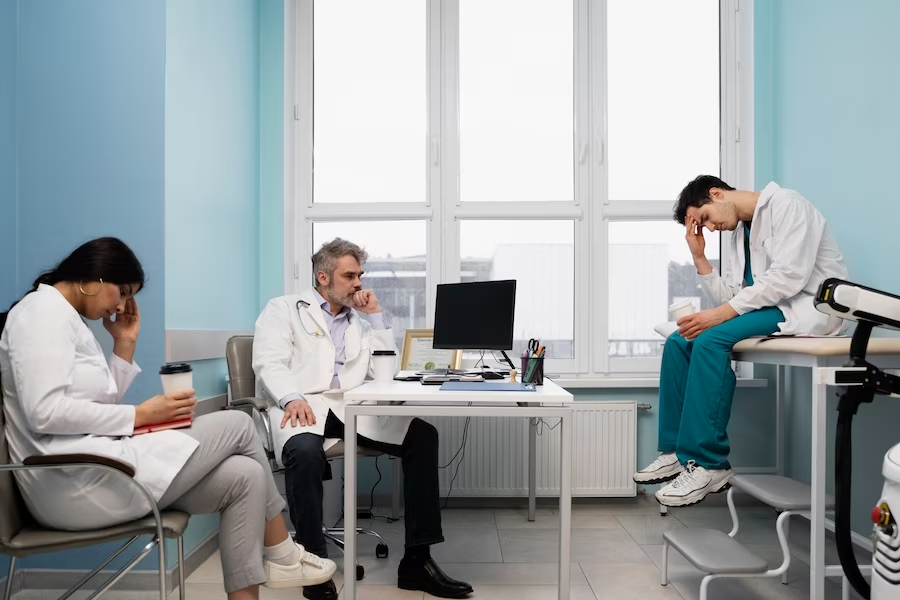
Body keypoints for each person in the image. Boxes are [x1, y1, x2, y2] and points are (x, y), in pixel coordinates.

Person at [0, 238, 336, 600]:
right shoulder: (41, 315)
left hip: (96, 471)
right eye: (123, 292)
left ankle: (259, 582)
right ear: (94, 278)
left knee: (247, 476)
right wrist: (140, 415)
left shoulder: (65, 318)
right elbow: (45, 412)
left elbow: (93, 405)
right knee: (238, 424)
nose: (122, 306)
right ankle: (283, 553)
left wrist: (124, 345)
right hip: (74, 486)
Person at [253, 238, 473, 600]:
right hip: (302, 406)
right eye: (349, 275)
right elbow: (268, 360)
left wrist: (376, 316)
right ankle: (313, 565)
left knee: (422, 436)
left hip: (349, 407)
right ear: (323, 277)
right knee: (305, 454)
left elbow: (383, 372)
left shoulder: (360, 323)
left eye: (360, 275)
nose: (358, 283)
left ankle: (418, 562)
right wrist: (290, 397)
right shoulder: (285, 309)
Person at [633, 176, 849, 507]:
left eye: (705, 218)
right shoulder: (739, 234)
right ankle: (676, 450)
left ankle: (710, 463)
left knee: (709, 340)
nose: (711, 228)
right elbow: (735, 296)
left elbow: (789, 277)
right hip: (769, 308)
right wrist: (699, 258)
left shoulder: (788, 206)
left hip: (808, 306)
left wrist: (719, 315)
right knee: (680, 341)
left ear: (716, 194)